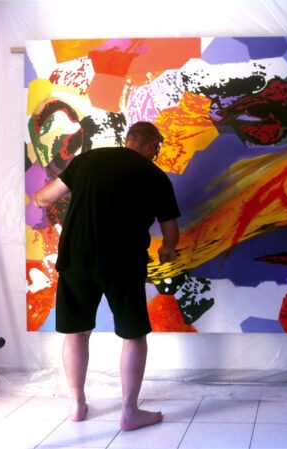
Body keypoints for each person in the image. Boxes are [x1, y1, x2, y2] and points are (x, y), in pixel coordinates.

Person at [33, 121, 180, 431]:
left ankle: (77, 405)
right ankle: (129, 412)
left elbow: (45, 197)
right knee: (133, 335)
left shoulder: (87, 160)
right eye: (157, 147)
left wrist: (47, 200)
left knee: (76, 332)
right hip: (123, 262)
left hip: (76, 256)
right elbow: (170, 232)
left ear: (128, 139)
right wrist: (167, 249)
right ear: (153, 144)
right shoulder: (155, 176)